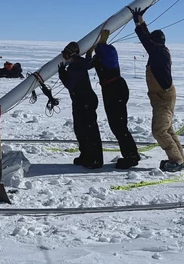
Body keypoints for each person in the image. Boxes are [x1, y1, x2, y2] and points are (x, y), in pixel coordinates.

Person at [129, 6, 184, 172]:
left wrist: (138, 22)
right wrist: (140, 20)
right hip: (162, 97)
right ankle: (179, 160)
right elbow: (148, 40)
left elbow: (146, 40)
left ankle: (176, 161)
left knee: (159, 131)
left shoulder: (159, 52)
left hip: (163, 97)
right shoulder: (159, 51)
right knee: (167, 129)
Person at [86, 29, 140, 169]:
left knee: (118, 125)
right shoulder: (104, 54)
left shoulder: (108, 52)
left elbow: (96, 61)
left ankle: (131, 156)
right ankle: (131, 154)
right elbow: (89, 64)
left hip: (114, 89)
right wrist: (91, 52)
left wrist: (98, 47)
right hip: (113, 89)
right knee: (117, 125)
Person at [58, 41, 104, 169]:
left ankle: (95, 159)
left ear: (71, 55)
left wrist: (62, 74)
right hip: (82, 101)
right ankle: (85, 155)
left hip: (84, 102)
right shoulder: (81, 63)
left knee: (89, 131)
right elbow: (89, 63)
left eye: (66, 54)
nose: (64, 57)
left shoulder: (75, 67)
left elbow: (70, 84)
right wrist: (89, 55)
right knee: (80, 130)